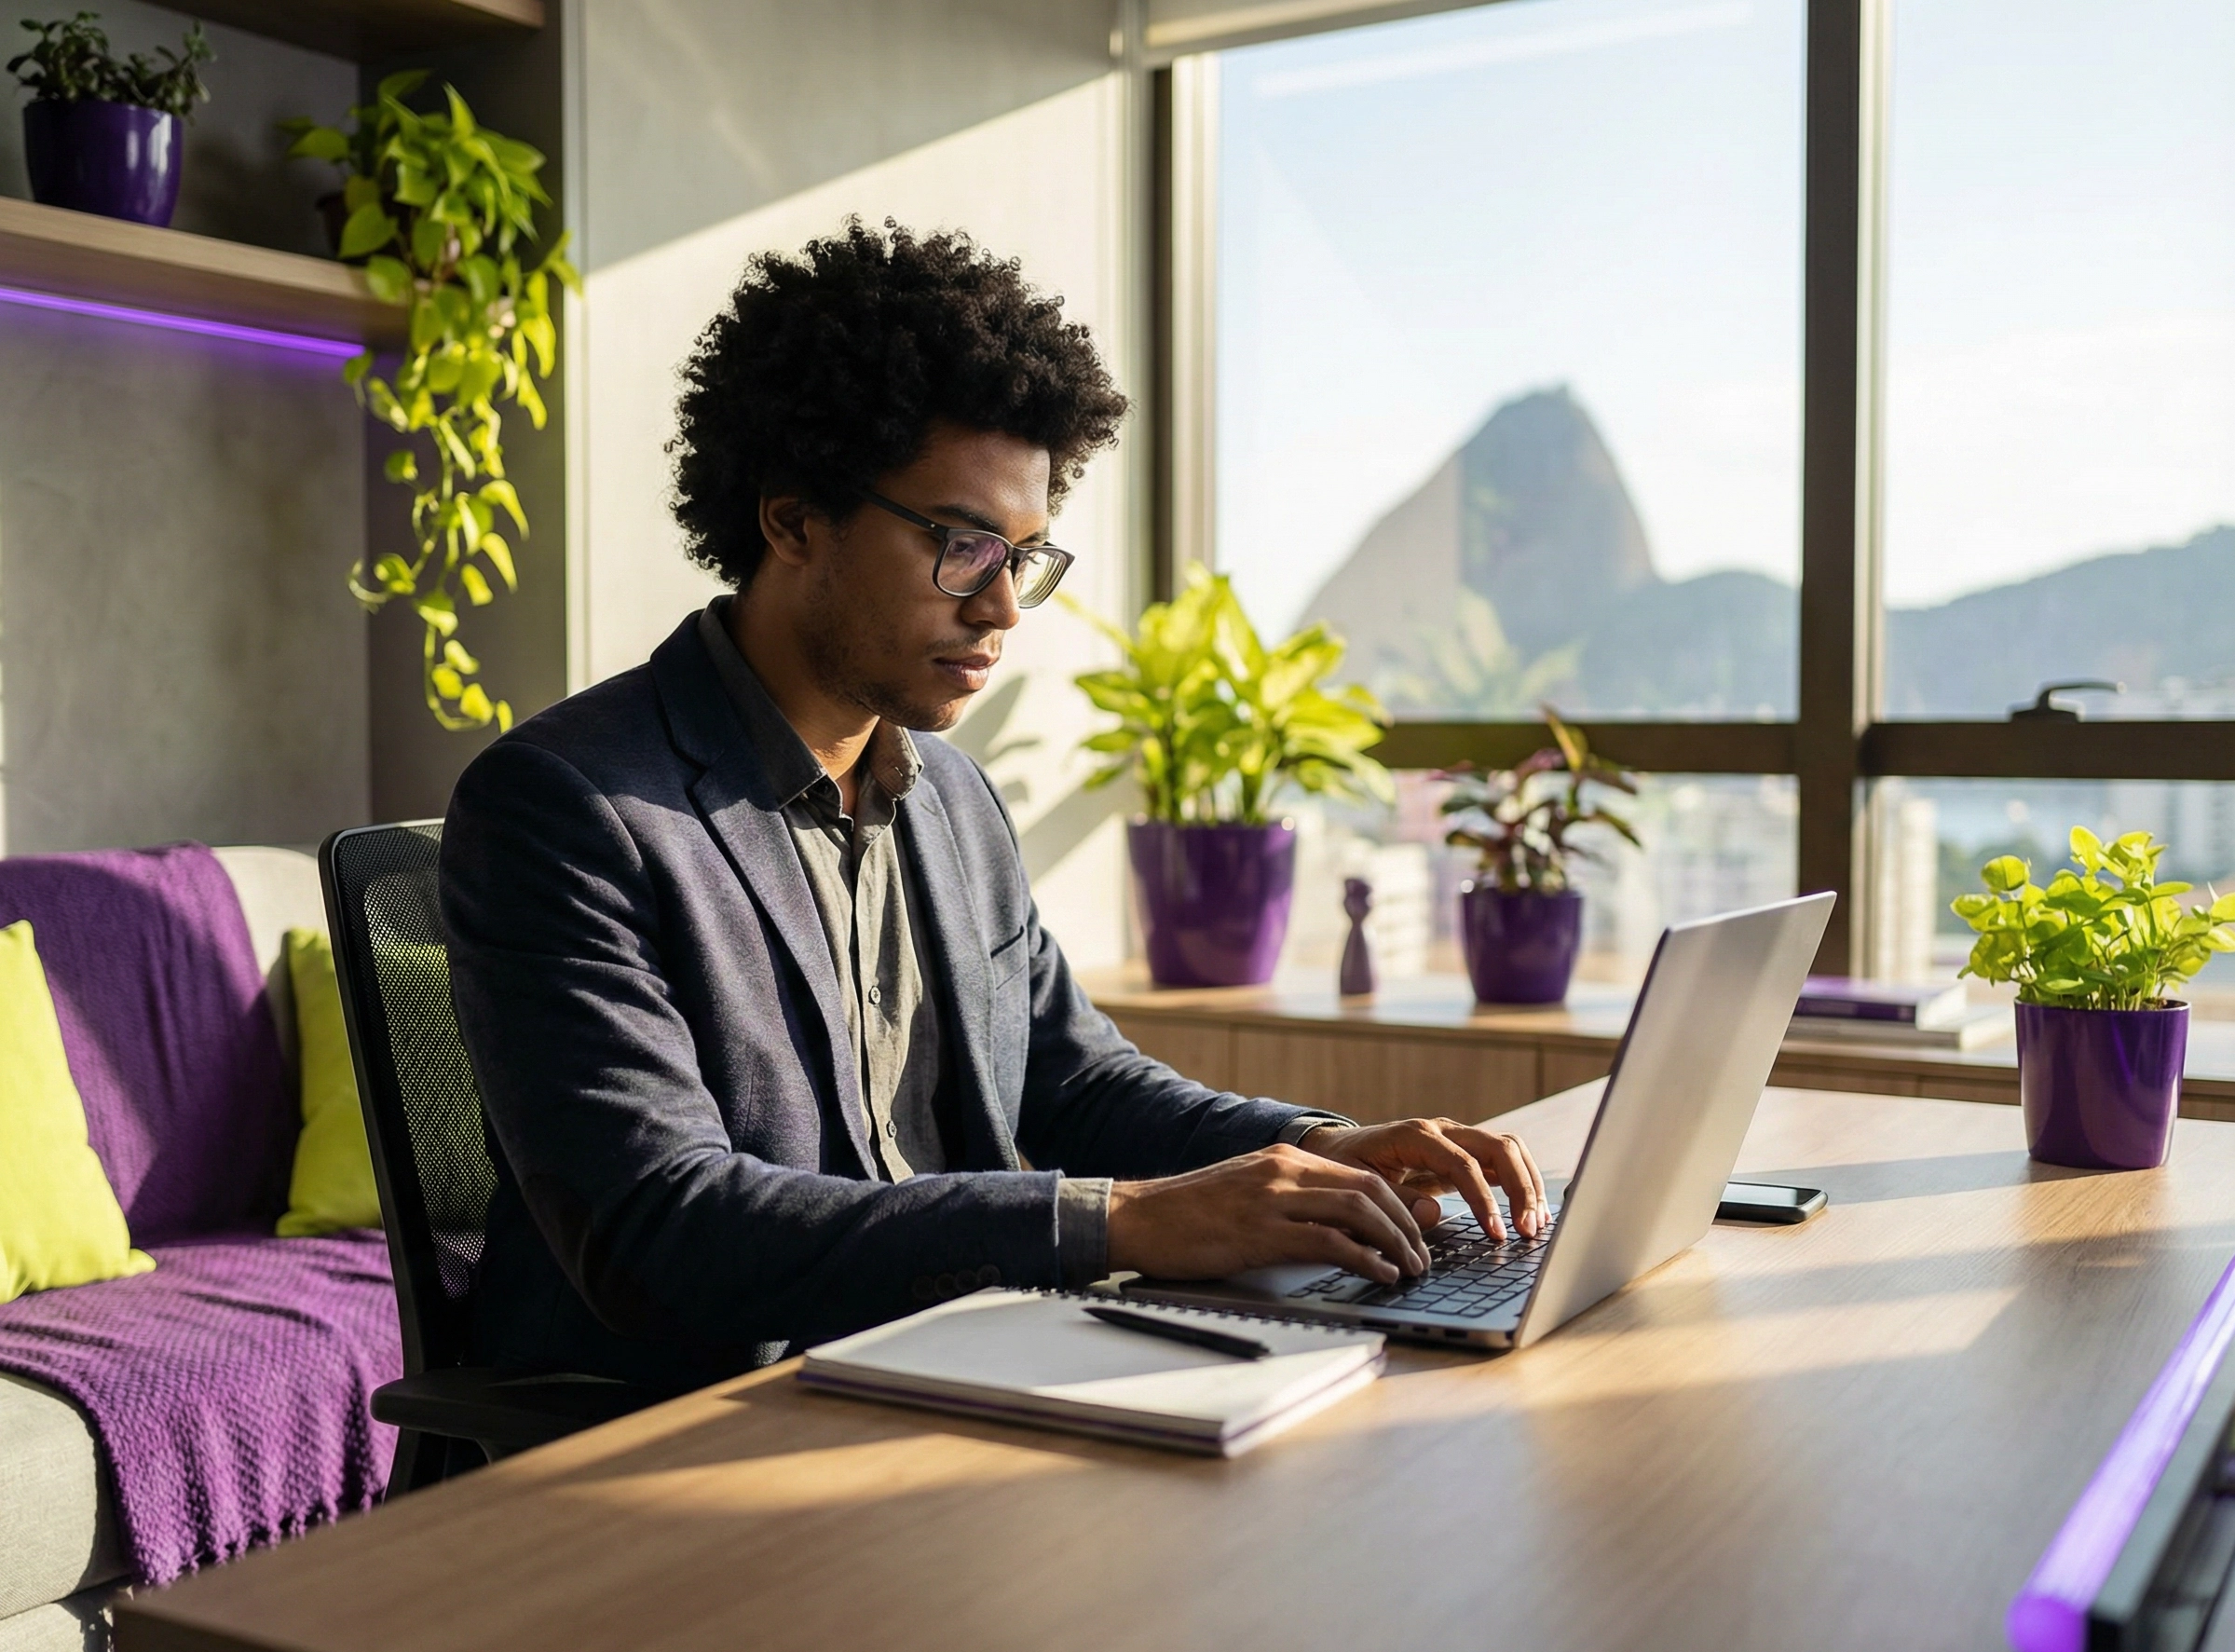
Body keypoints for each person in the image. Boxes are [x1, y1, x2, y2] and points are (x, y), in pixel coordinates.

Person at [440, 220, 1547, 1392]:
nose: (1004, 607)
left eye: (1024, 556)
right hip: (698, 1429)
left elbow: (1072, 1082)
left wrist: (1317, 1145)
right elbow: (664, 1229)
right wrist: (1120, 1222)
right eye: (963, 546)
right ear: (794, 518)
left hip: (951, 1372)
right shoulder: (566, 809)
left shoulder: (951, 798)